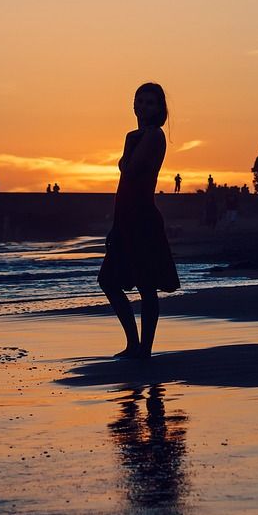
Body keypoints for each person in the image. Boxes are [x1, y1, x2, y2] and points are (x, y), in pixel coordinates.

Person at [98, 82, 179, 359]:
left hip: (143, 218)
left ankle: (144, 348)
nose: (143, 106)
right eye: (140, 101)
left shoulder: (154, 136)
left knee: (146, 286)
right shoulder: (137, 135)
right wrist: (116, 224)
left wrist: (128, 142)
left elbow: (130, 171)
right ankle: (134, 343)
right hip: (127, 217)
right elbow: (125, 184)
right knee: (109, 281)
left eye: (150, 102)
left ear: (159, 108)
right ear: (133, 104)